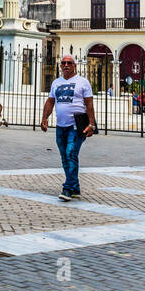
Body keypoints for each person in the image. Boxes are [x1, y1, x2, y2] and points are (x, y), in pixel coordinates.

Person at [40, 54, 95, 202]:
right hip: (60, 126)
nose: (66, 65)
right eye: (63, 63)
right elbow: (50, 102)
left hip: (76, 126)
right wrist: (45, 118)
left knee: (71, 154)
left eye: (69, 63)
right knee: (65, 157)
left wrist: (91, 124)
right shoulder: (56, 83)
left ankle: (68, 188)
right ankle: (75, 187)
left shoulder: (83, 82)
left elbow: (89, 104)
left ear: (74, 66)